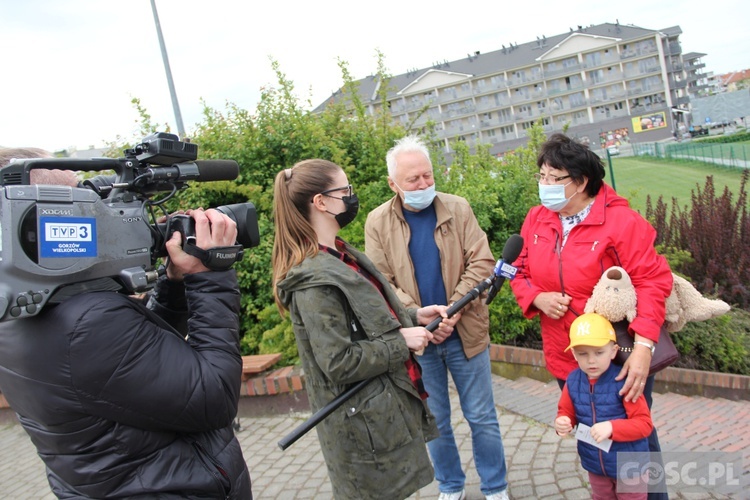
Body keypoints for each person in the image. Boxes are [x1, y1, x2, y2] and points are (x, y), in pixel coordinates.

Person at [0, 153, 252, 498]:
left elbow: (137, 365)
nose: (100, 215)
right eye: (82, 202)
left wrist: (174, 284)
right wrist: (210, 277)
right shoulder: (84, 320)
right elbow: (214, 397)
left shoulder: (28, 307)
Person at [271, 158, 453, 500]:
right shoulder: (312, 279)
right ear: (321, 202)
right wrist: (401, 341)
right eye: (345, 191)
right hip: (362, 430)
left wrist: (412, 316)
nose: (352, 197)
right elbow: (338, 361)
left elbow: (366, 321)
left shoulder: (340, 255)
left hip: (383, 416)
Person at [509, 132, 672, 499]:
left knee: (635, 439)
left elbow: (651, 281)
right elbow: (517, 270)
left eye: (555, 178)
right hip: (567, 354)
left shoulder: (622, 222)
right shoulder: (536, 219)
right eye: (542, 177)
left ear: (581, 182)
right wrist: (536, 297)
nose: (545, 186)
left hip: (617, 357)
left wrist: (644, 345)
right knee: (590, 431)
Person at [365, 136, 510, 500]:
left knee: (482, 417)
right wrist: (418, 317)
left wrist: (451, 313)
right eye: (413, 179)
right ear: (393, 184)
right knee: (436, 422)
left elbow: (482, 263)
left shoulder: (458, 209)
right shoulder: (377, 222)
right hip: (420, 341)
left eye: (427, 176)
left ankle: (495, 488)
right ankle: (451, 486)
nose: (423, 185)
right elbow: (380, 282)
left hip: (466, 333)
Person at [555, 313, 652, 500]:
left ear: (613, 351)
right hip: (595, 464)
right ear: (574, 354)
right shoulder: (573, 380)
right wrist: (563, 421)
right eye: (583, 354)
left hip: (629, 466)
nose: (591, 360)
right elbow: (566, 411)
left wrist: (612, 428)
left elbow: (644, 424)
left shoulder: (623, 381)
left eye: (599, 353)